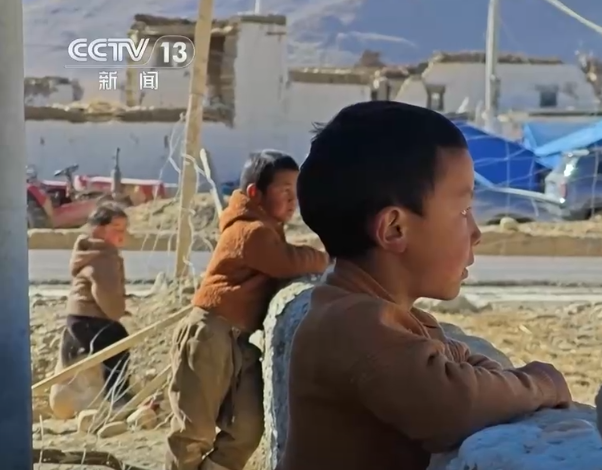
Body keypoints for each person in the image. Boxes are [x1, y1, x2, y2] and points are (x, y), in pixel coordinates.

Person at [278, 101, 573, 470]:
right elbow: (454, 405)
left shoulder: (392, 319)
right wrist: (541, 383)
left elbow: (467, 368)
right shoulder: (350, 324)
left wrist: (504, 381)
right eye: (463, 211)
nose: (476, 233)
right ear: (394, 229)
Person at [165, 150, 330, 470]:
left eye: (295, 191)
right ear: (255, 193)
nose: (293, 200)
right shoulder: (248, 231)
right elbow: (285, 261)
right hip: (210, 332)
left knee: (246, 428)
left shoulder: (267, 229)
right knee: (193, 432)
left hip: (239, 339)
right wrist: (324, 259)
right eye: (284, 190)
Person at [60, 202, 133, 409]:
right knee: (118, 341)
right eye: (116, 228)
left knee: (111, 335)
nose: (122, 234)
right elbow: (105, 292)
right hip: (89, 318)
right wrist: (117, 311)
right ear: (99, 230)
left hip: (77, 317)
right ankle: (116, 394)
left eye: (124, 229)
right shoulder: (103, 257)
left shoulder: (90, 251)